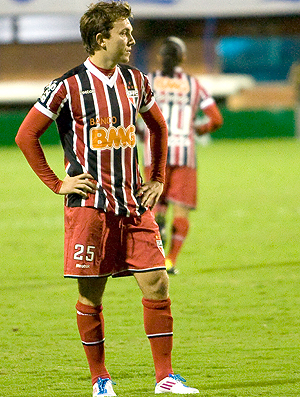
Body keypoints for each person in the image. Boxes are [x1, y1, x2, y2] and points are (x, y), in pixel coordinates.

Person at [15, 2, 199, 396]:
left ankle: (164, 377)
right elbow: (25, 135)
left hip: (133, 204)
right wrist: (56, 183)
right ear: (102, 39)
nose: (132, 39)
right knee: (90, 294)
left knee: (157, 283)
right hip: (90, 209)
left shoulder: (135, 80)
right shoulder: (67, 85)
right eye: (124, 32)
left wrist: (158, 177)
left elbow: (158, 127)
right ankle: (101, 380)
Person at [139, 36, 223, 275]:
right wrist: (198, 129)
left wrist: (140, 131)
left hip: (155, 153)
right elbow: (216, 119)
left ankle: (154, 254)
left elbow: (128, 110)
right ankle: (171, 260)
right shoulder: (193, 84)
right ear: (183, 58)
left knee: (155, 206)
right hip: (185, 152)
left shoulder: (148, 81)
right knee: (182, 208)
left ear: (160, 57)